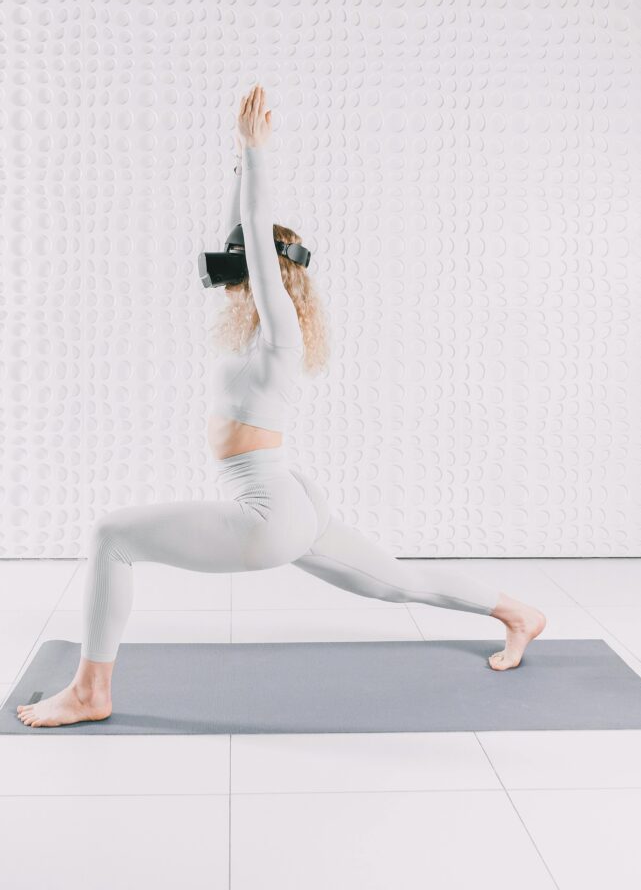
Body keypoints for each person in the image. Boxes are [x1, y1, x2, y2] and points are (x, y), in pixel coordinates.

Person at [17, 84, 546, 728]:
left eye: (246, 256)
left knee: (111, 538)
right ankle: (518, 614)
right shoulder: (247, 326)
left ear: (271, 270)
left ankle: (90, 692)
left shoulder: (279, 331)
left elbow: (257, 247)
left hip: (267, 510)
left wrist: (260, 158)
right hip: (290, 497)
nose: (229, 262)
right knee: (392, 582)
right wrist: (239, 159)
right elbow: (240, 240)